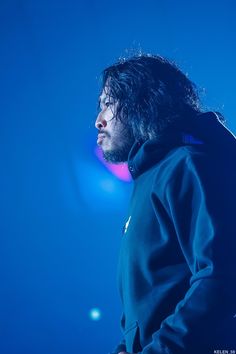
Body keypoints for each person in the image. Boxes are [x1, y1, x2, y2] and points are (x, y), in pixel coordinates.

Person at [95, 54, 236, 354]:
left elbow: (220, 276)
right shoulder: (150, 179)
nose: (99, 120)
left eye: (107, 103)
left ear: (141, 101)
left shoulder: (186, 164)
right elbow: (149, 304)